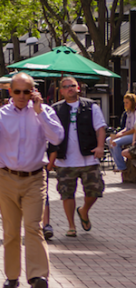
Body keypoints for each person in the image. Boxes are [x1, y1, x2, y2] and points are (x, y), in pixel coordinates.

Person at [0, 73, 64, 288]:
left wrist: (40, 111)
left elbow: (58, 137)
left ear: (34, 92)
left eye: (27, 91)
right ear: (10, 92)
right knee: (11, 231)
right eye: (18, 92)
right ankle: (12, 276)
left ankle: (37, 277)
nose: (22, 96)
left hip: (35, 178)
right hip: (7, 178)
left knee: (34, 227)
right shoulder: (0, 116)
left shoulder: (44, 112)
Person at [46, 76, 105, 237]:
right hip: (65, 160)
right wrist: (51, 160)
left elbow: (100, 128)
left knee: (94, 191)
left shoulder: (91, 106)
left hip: (88, 157)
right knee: (67, 193)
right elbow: (50, 134)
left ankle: (84, 210)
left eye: (72, 85)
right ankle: (71, 225)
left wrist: (100, 146)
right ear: (61, 91)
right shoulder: (56, 109)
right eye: (66, 86)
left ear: (78, 88)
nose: (70, 88)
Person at [108, 92, 136, 175]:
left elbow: (134, 129)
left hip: (134, 135)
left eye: (127, 102)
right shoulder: (128, 113)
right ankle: (118, 163)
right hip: (128, 133)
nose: (125, 104)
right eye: (124, 102)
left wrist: (122, 135)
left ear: (132, 102)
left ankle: (121, 166)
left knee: (115, 143)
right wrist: (118, 134)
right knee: (109, 140)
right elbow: (127, 128)